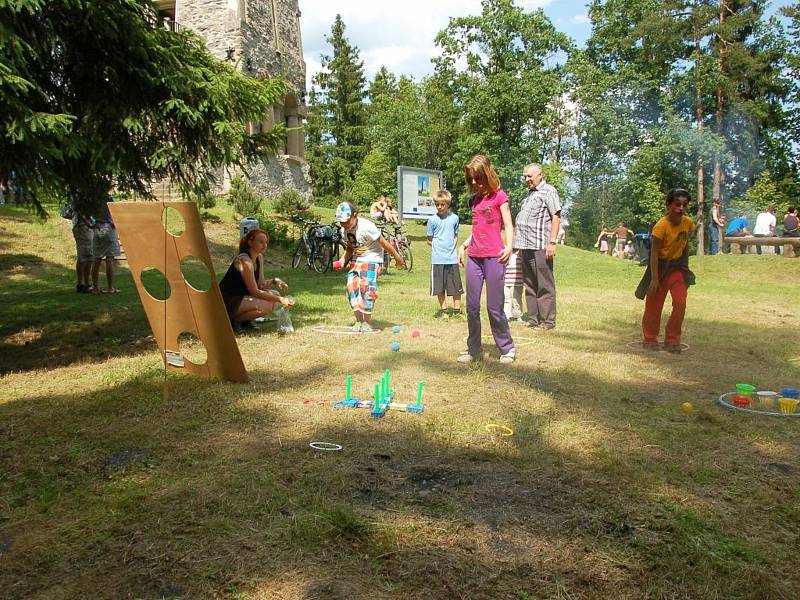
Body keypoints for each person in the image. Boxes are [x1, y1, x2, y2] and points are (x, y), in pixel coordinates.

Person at [457, 154, 515, 363]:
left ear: (487, 174)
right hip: (474, 257)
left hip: (494, 257)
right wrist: (464, 245)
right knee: (472, 306)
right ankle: (474, 349)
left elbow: (507, 225)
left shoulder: (500, 196)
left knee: (494, 306)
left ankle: (507, 348)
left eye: (478, 178)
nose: (474, 182)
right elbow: (477, 228)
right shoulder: (474, 200)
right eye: (471, 178)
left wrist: (509, 247)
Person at [333, 201, 405, 332]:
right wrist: (343, 260)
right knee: (351, 287)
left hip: (373, 260)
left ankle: (366, 322)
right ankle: (359, 321)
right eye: (341, 222)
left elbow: (384, 243)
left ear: (355, 215)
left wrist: (398, 258)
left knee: (366, 288)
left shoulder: (367, 227)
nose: (344, 224)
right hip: (357, 260)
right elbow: (350, 247)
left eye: (346, 221)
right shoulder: (344, 229)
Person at [639, 189, 695, 354]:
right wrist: (654, 279)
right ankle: (650, 339)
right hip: (660, 267)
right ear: (669, 205)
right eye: (677, 205)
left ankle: (672, 339)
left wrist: (686, 269)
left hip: (677, 267)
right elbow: (654, 254)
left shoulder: (688, 223)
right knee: (654, 305)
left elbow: (684, 245)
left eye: (684, 205)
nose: (681, 208)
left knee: (680, 302)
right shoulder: (661, 226)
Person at [514, 162, 562, 331]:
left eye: (529, 176)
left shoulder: (549, 191)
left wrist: (552, 242)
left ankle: (547, 322)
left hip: (541, 245)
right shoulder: (529, 195)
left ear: (540, 175)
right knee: (529, 283)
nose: (526, 179)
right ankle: (534, 319)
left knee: (544, 283)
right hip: (526, 246)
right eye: (525, 176)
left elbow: (556, 217)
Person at [219, 229, 293, 334]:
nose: (264, 245)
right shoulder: (244, 261)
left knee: (274, 294)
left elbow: (261, 285)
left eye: (266, 242)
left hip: (242, 298)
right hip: (227, 300)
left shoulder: (259, 258)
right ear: (250, 242)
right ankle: (232, 321)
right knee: (268, 304)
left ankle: (244, 322)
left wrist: (274, 281)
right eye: (261, 242)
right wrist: (281, 299)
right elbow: (254, 291)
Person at [426, 189, 463, 316]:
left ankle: (457, 310)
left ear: (448, 203)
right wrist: (438, 247)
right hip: (437, 260)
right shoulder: (432, 220)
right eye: (437, 204)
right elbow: (429, 240)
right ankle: (444, 310)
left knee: (456, 286)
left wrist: (452, 248)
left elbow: (455, 235)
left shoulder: (455, 218)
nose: (440, 207)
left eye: (442, 204)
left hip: (451, 259)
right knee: (439, 288)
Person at [91, 199, 121, 293]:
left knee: (97, 259)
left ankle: (95, 288)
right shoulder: (110, 199)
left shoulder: (93, 200)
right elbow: (116, 213)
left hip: (97, 228)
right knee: (109, 259)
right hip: (109, 228)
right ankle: (110, 288)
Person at [69, 192, 95, 293]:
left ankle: (83, 283)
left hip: (84, 226)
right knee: (85, 255)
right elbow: (80, 211)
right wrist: (89, 223)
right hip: (83, 227)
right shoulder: (80, 193)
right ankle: (83, 284)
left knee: (87, 256)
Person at [503, 250, 524, 321]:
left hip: (517, 282)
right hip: (506, 282)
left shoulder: (521, 254)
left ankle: (518, 315)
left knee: (516, 299)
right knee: (506, 299)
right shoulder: (506, 253)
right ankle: (506, 315)